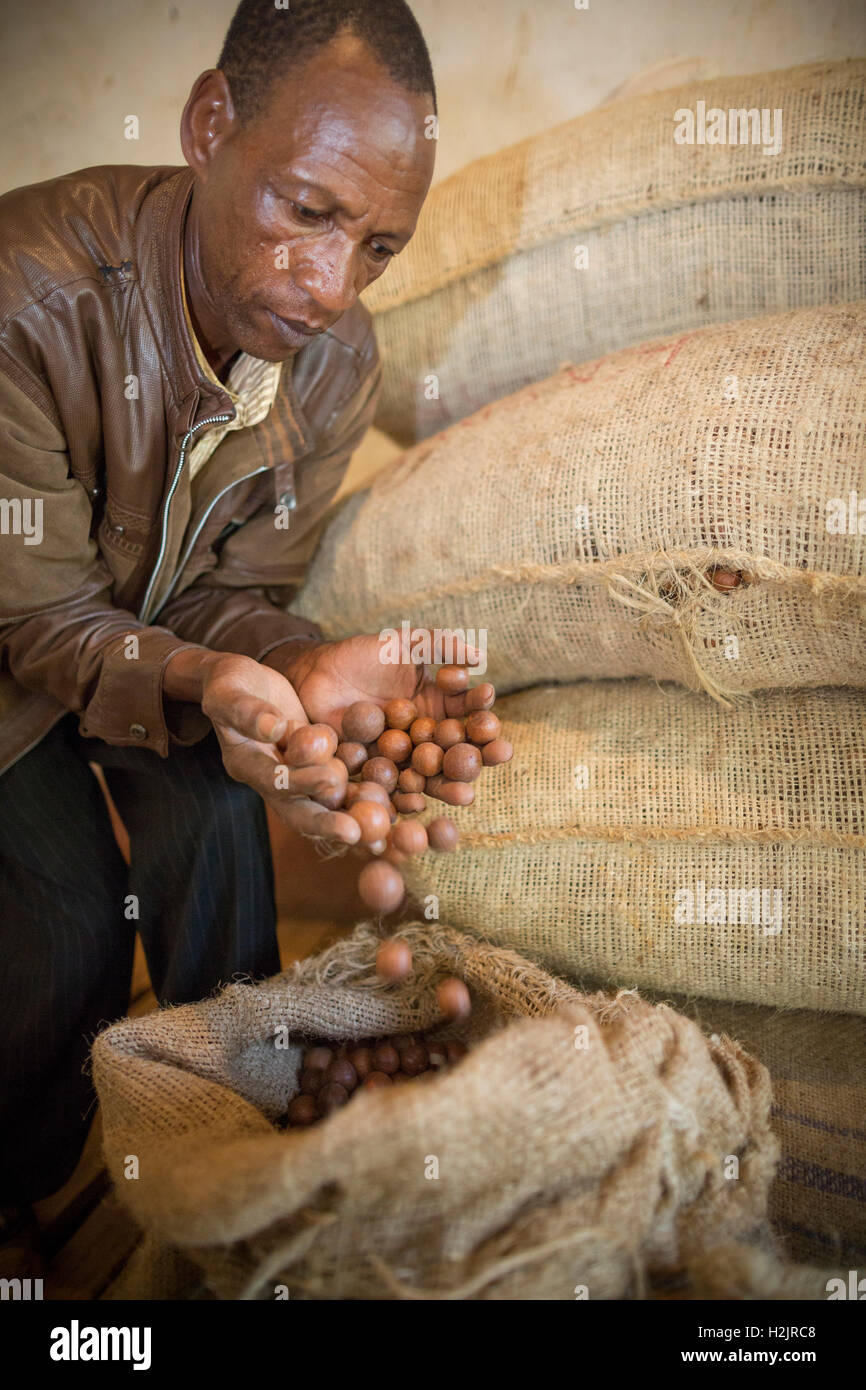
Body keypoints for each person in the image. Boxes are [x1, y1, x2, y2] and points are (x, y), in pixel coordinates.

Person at [0, 0, 441, 1238]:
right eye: (308, 210)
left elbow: (225, 592)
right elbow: (41, 625)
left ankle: (227, 1121)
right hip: (6, 637)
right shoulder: (24, 294)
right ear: (209, 125)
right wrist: (199, 669)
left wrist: (294, 663)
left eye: (376, 248)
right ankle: (23, 1186)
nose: (330, 283)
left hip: (132, 642)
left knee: (211, 813)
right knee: (71, 917)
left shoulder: (337, 362)